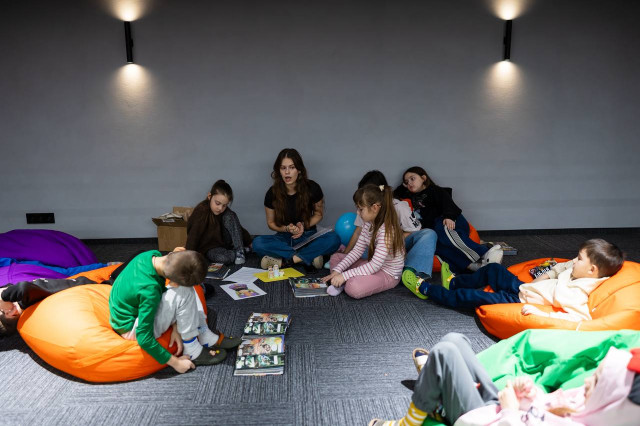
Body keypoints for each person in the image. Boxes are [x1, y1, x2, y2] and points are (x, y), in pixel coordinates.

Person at [369, 333, 640, 426]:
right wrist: (530, 397)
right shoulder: (587, 404)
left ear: (613, 401)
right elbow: (542, 413)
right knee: (455, 340)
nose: (587, 382)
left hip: (489, 420)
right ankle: (439, 386)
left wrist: (511, 410)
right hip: (497, 411)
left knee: (444, 353)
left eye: (597, 382)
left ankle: (410, 421)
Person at [419, 239, 624, 322]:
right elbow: (564, 266)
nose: (574, 261)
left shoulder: (577, 292)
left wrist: (540, 313)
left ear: (592, 269)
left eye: (579, 259)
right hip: (525, 288)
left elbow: (580, 318)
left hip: (520, 300)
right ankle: (454, 282)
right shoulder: (582, 270)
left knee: (471, 297)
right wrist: (544, 277)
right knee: (493, 269)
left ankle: (429, 290)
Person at [109, 249, 242, 374]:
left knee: (188, 280)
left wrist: (175, 326)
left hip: (131, 310)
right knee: (185, 291)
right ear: (175, 283)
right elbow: (144, 339)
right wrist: (176, 363)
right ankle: (192, 350)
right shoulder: (150, 292)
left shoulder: (151, 255)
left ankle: (204, 333)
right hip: (131, 329)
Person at [394, 167, 503, 285]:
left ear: (423, 178)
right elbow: (395, 194)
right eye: (406, 182)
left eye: (412, 179)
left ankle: (486, 252)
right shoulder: (411, 196)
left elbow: (448, 203)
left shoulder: (434, 190)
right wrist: (404, 186)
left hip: (449, 220)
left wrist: (449, 216)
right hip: (435, 229)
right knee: (438, 246)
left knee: (441, 229)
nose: (409, 183)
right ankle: (472, 266)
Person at [344, 170, 437, 293]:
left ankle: (411, 273)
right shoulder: (364, 210)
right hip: (376, 251)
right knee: (344, 258)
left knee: (429, 234)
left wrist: (393, 242)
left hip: (397, 247)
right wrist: (345, 253)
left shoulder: (399, 206)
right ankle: (367, 270)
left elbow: (414, 232)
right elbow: (358, 233)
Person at [252, 148, 341, 271]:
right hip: (284, 238)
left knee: (334, 239)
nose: (287, 172)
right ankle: (308, 257)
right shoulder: (271, 193)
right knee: (258, 243)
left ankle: (287, 261)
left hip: (308, 236)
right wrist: (287, 229)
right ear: (279, 171)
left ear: (299, 170)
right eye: (283, 168)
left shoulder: (313, 188)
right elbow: (271, 223)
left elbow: (318, 214)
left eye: (292, 167)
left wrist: (303, 226)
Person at [322, 184, 405, 299]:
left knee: (353, 287)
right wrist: (338, 271)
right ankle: (339, 280)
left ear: (375, 208)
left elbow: (375, 265)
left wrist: (344, 275)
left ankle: (343, 281)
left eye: (361, 209)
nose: (357, 212)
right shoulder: (367, 224)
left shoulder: (387, 231)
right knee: (336, 258)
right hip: (372, 265)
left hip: (387, 274)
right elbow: (356, 251)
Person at [1, 276, 98, 337]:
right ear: (10, 312)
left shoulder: (26, 306)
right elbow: (23, 288)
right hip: (96, 290)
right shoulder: (28, 300)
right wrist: (3, 296)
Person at [185, 179, 252, 265]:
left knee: (230, 215)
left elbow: (237, 228)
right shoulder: (201, 211)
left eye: (224, 205)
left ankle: (240, 251)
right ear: (209, 196)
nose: (220, 208)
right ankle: (239, 251)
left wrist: (249, 241)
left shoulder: (226, 213)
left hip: (224, 242)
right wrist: (187, 257)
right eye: (217, 203)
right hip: (210, 249)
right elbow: (193, 236)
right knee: (223, 258)